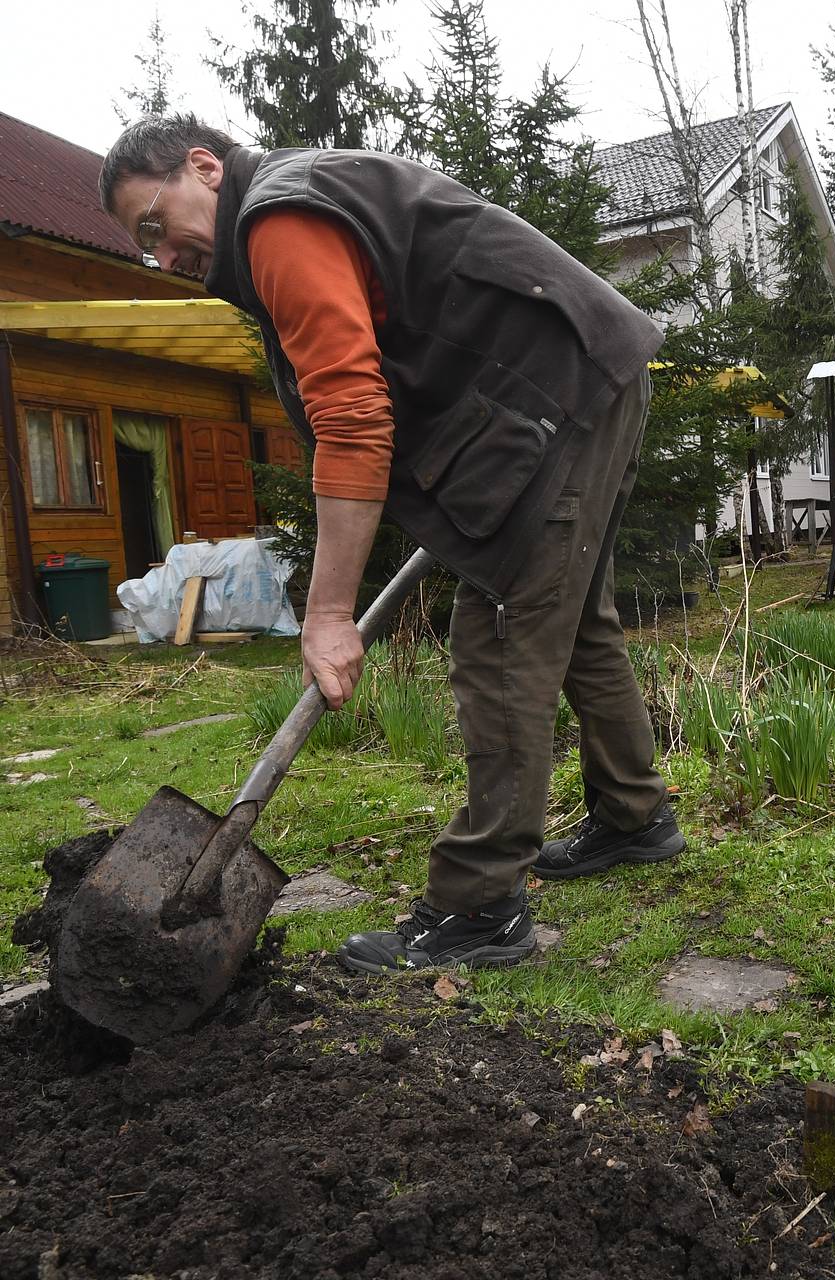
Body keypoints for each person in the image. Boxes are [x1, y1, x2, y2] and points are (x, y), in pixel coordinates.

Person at [100, 115, 685, 972]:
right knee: (569, 614)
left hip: (552, 390)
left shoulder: (277, 218)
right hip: (570, 377)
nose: (160, 257)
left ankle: (481, 905)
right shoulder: (285, 208)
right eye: (140, 246)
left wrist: (329, 611)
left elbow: (351, 414)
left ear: (203, 168)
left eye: (155, 225)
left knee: (501, 629)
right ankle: (635, 816)